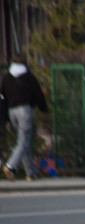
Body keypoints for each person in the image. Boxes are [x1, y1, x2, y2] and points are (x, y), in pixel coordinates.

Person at [1, 53, 48, 182]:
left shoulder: (6, 78)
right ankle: (10, 167)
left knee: (22, 141)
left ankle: (31, 173)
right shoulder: (29, 77)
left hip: (12, 112)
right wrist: (44, 109)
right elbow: (38, 94)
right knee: (23, 142)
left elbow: (2, 97)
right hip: (24, 110)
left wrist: (4, 116)